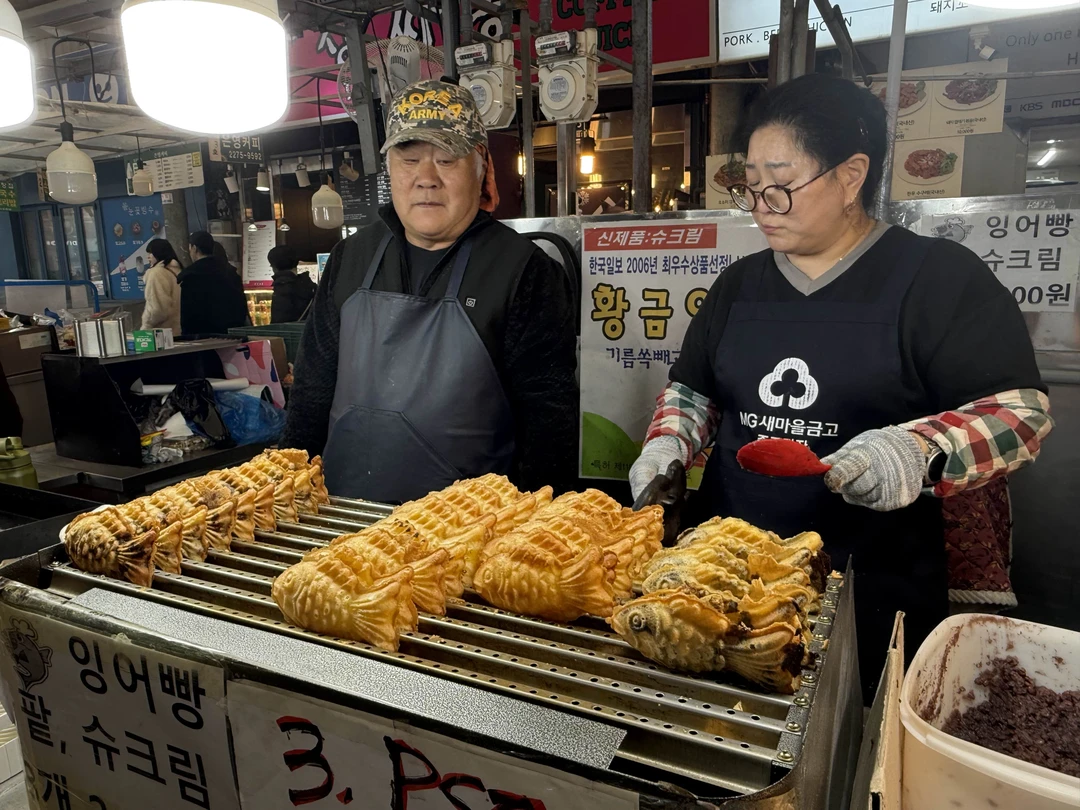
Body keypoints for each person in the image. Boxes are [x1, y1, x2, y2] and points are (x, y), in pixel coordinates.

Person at [628, 73, 1052, 698]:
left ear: (852, 175)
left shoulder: (936, 280)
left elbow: (1022, 414)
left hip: (875, 582)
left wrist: (918, 449)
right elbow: (693, 393)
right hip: (726, 580)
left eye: (781, 186)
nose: (761, 208)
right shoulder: (739, 286)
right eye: (751, 187)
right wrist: (668, 444)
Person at [282, 79, 578, 502]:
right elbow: (312, 389)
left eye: (446, 158)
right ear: (390, 168)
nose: (426, 178)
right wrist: (288, 484)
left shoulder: (524, 270)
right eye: (409, 157)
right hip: (342, 523)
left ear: (480, 167)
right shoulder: (352, 256)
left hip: (468, 537)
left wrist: (537, 526)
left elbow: (549, 423)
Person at [178, 231, 248, 337]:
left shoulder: (191, 276)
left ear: (194, 248)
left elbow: (188, 315)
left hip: (203, 337)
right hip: (232, 335)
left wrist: (187, 337)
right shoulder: (230, 272)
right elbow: (242, 306)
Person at [141, 238, 182, 333]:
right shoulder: (178, 270)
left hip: (160, 334)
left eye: (151, 253)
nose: (148, 257)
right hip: (178, 330)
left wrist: (146, 325)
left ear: (159, 253)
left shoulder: (156, 273)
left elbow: (157, 309)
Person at [268, 245, 316, 323]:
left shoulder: (282, 288)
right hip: (309, 332)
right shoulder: (311, 286)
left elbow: (279, 322)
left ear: (274, 266)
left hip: (290, 334)